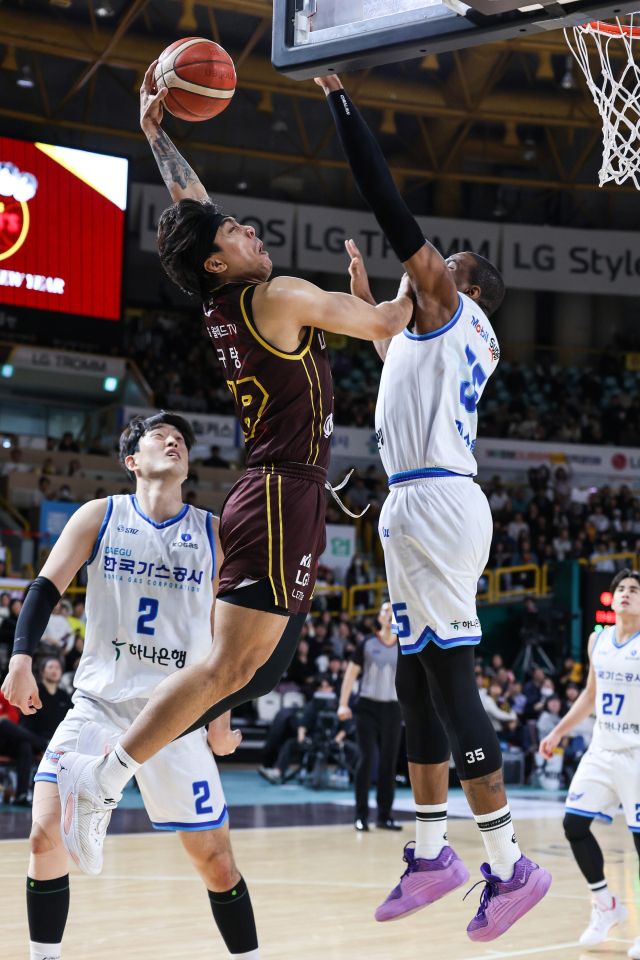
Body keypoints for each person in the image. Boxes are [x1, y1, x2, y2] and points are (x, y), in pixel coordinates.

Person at [2, 63, 412, 879]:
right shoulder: (278, 294)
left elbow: (195, 214)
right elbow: (397, 322)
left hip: (284, 493)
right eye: (238, 233)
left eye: (242, 228)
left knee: (264, 663)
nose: (250, 230)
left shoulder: (229, 299)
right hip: (277, 490)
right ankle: (104, 779)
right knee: (228, 667)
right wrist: (421, 271)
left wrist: (157, 134)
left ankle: (111, 773)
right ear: (220, 264)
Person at [315, 72, 550, 941]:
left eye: (437, 265)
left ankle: (509, 864)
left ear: (466, 288)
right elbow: (379, 330)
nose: (426, 267)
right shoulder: (428, 334)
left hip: (443, 504)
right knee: (414, 676)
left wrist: (343, 102)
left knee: (449, 679)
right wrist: (369, 293)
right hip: (415, 506)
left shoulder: (452, 308)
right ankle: (429, 853)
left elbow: (389, 203)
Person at [1, 412, 261, 960]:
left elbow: (224, 634)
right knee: (45, 838)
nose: (174, 441)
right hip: (101, 705)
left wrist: (220, 720)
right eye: (159, 437)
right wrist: (20, 658)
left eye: (181, 440)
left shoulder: (214, 532)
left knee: (216, 863)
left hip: (179, 715)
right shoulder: (101, 516)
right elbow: (46, 587)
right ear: (131, 461)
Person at [540, 568, 640, 959]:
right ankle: (606, 906)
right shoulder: (597, 640)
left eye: (634, 589)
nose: (626, 594)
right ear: (611, 598)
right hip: (602, 749)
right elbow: (589, 696)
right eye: (621, 589)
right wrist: (559, 732)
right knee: (574, 825)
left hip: (636, 754)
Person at [338, 600, 403, 832]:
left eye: (394, 612)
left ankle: (384, 816)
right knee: (367, 761)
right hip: (367, 708)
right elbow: (350, 676)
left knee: (388, 763)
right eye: (386, 611)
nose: (389, 614)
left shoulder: (405, 646)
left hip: (393, 709)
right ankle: (361, 816)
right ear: (379, 617)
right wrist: (343, 704)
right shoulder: (366, 643)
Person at [20, 658, 72, 743]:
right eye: (50, 667)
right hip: (37, 740)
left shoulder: (64, 695)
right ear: (42, 672)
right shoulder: (34, 692)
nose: (54, 671)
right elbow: (26, 722)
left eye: (57, 668)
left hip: (59, 740)